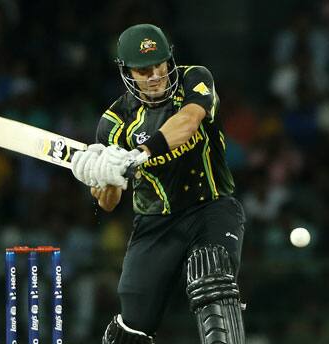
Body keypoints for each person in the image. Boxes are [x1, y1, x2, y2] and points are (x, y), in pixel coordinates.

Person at [71, 24, 247, 343]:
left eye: (159, 65)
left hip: (210, 207)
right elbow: (107, 203)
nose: (155, 76)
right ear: (128, 73)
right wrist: (105, 176)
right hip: (154, 223)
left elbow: (189, 121)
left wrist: (138, 155)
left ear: (169, 61)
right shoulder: (114, 122)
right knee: (131, 330)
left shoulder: (195, 79)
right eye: (144, 70)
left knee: (212, 277)